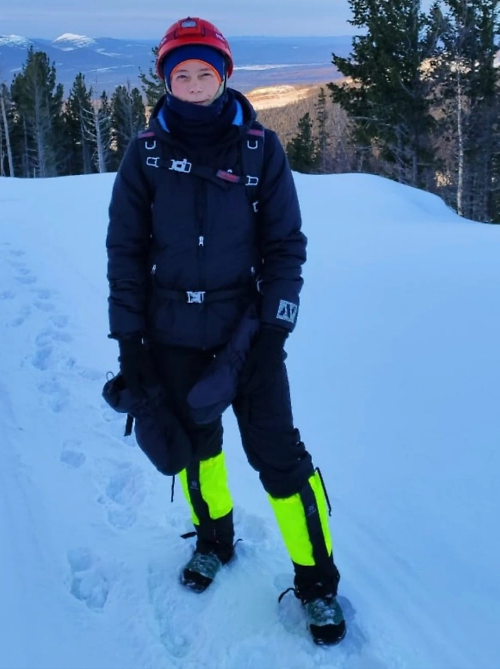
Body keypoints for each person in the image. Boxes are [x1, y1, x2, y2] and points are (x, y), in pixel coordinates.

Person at [104, 16, 344, 646]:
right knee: (197, 449)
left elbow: (286, 246)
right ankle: (215, 541)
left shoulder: (261, 149)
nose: (191, 83)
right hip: (172, 332)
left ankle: (317, 581)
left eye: (203, 72)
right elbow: (125, 254)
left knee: (280, 459)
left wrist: (275, 329)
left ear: (224, 75)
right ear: (166, 80)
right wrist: (130, 343)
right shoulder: (145, 154)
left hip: (247, 333)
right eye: (179, 74)